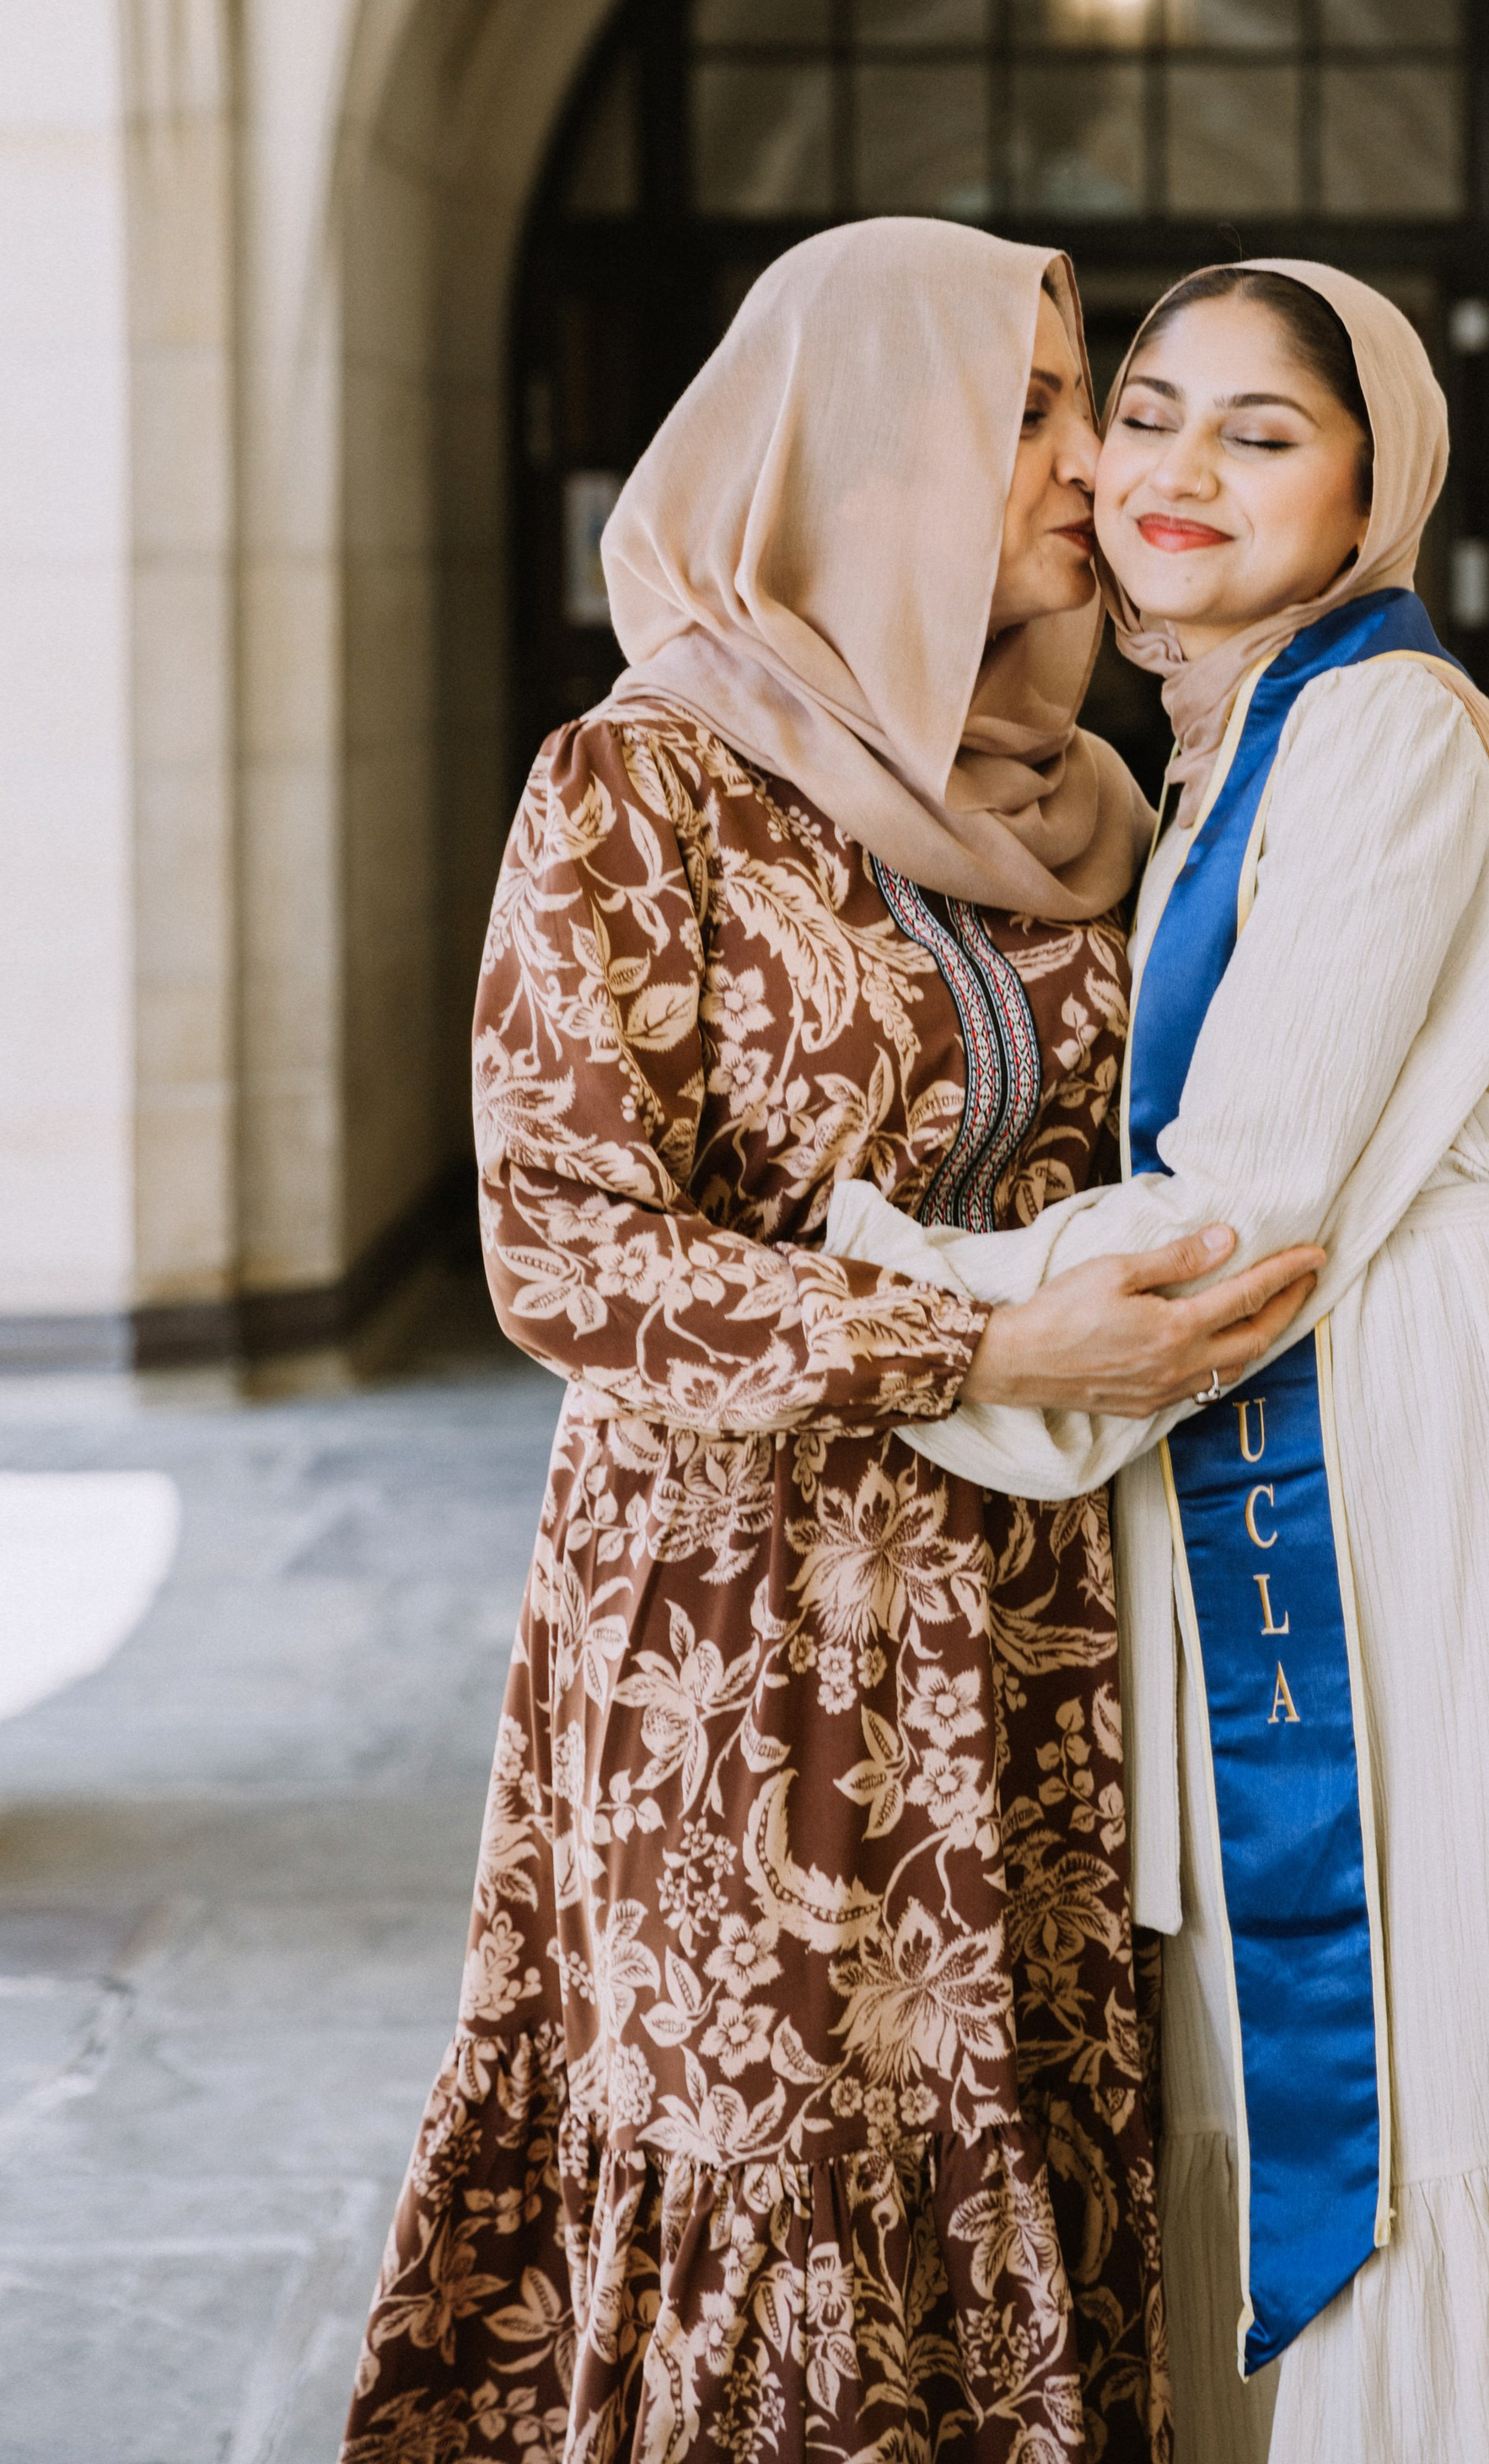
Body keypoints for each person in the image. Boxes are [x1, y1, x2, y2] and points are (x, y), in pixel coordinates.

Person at [831, 260, 1489, 2462]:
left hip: (1467, 1460)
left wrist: (890, 1285)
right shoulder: (1230, 742)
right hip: (1382, 1420)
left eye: (1262, 431)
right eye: (1149, 407)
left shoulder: (1383, 721)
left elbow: (1258, 1194)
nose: (1178, 468)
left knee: (1475, 2058)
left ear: (1377, 481)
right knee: (1408, 2061)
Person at [339, 219, 1336, 2464]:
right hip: (741, 1626)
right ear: (864, 452)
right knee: (763, 2156)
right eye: (1033, 409)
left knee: (1020, 2134)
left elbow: (1243, 1144)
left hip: (1040, 1624)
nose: (1090, 464)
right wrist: (970, 1349)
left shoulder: (1085, 803)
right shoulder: (640, 786)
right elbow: (564, 1250)